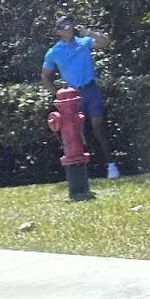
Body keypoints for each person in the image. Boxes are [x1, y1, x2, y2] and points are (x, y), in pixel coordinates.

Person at [41, 14, 119, 179]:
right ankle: (84, 171)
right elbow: (45, 77)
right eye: (64, 26)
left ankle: (111, 165)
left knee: (98, 127)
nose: (68, 28)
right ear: (58, 31)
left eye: (70, 24)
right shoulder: (54, 52)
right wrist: (58, 94)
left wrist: (89, 32)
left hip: (91, 90)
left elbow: (105, 42)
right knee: (77, 134)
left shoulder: (83, 42)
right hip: (73, 97)